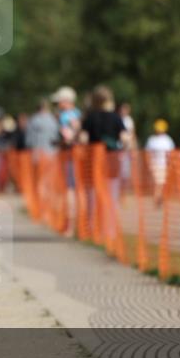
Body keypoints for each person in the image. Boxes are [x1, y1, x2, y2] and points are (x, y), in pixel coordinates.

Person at [82, 85, 126, 242]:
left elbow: (83, 139)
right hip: (112, 160)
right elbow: (125, 138)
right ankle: (110, 231)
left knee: (93, 196)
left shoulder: (90, 118)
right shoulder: (116, 117)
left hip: (94, 162)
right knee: (111, 196)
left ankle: (93, 229)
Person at [52, 86, 81, 236]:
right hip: (80, 155)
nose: (57, 105)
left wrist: (61, 142)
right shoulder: (78, 114)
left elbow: (69, 137)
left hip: (70, 155)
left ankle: (71, 226)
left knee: (70, 189)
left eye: (59, 102)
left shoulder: (65, 116)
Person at [145, 119, 175, 207]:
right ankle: (156, 199)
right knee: (158, 183)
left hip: (164, 165)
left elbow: (171, 154)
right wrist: (149, 163)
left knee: (161, 183)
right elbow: (147, 153)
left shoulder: (168, 140)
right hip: (155, 165)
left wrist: (170, 164)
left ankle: (158, 198)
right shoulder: (152, 140)